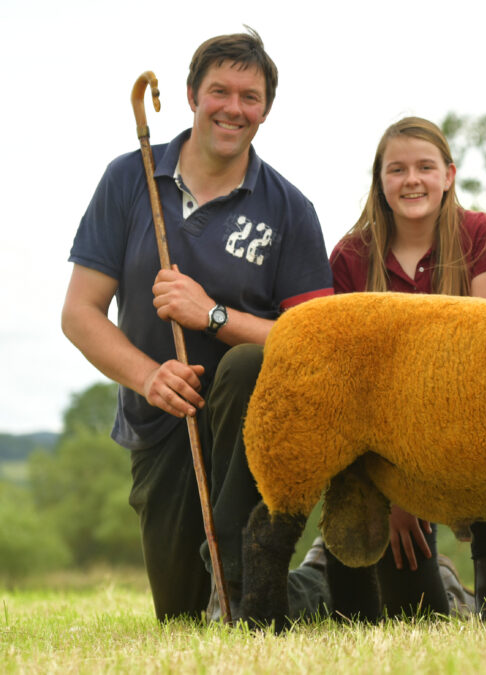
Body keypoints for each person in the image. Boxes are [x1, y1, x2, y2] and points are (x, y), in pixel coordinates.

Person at [61, 29, 334, 621]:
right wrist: (148, 376)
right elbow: (80, 313)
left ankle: (242, 570)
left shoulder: (290, 208)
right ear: (191, 95)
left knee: (245, 362)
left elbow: (316, 341)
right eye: (220, 91)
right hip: (162, 420)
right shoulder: (127, 179)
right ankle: (316, 582)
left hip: (254, 428)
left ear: (265, 110)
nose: (234, 108)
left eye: (251, 97)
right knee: (184, 617)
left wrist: (212, 315)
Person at [329, 117, 486, 619]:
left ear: (448, 175)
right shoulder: (350, 256)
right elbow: (353, 386)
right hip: (380, 447)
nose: (412, 179)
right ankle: (337, 559)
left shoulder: (481, 234)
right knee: (411, 614)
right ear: (380, 181)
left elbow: (485, 354)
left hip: (465, 427)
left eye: (426, 167)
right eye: (398, 169)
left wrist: (419, 483)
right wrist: (392, 492)